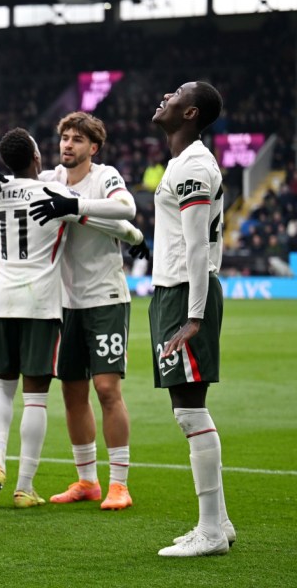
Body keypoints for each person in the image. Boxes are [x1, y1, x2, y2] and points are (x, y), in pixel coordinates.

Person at [0, 112, 148, 511]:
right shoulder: (52, 179)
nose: (67, 145)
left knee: (107, 389)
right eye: (64, 138)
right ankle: (87, 480)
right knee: (72, 392)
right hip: (63, 302)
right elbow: (20, 179)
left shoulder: (105, 176)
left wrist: (86, 211)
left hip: (105, 296)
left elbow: (125, 208)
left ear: (93, 147)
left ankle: (119, 483)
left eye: (77, 139)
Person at [149, 81, 233, 557]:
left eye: (178, 93)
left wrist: (194, 317)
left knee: (189, 410)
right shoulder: (183, 162)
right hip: (175, 290)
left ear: (190, 113)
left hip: (185, 293)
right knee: (187, 407)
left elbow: (198, 245)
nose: (167, 95)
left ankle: (210, 532)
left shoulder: (194, 166)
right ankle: (219, 522)